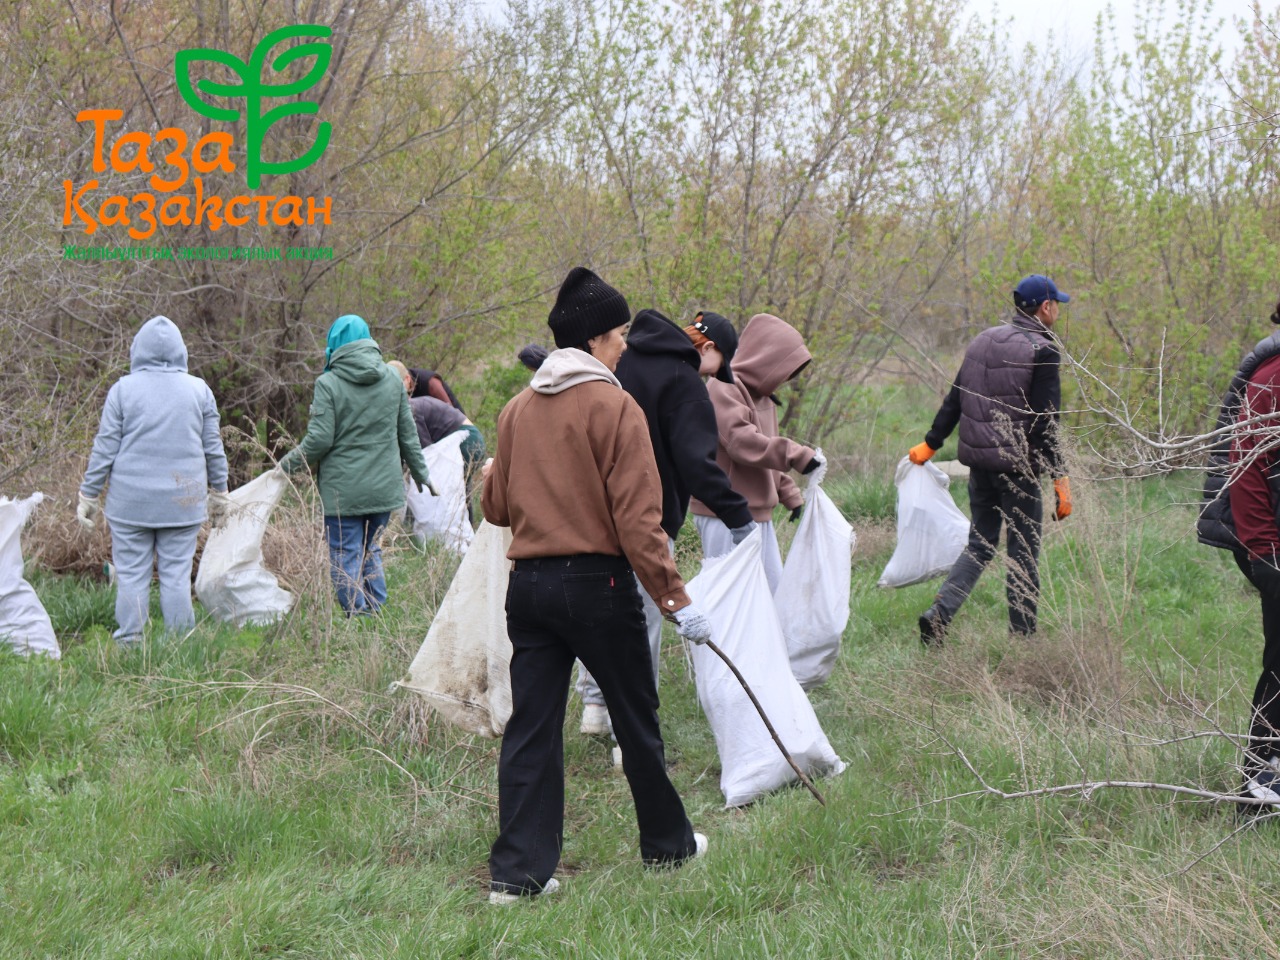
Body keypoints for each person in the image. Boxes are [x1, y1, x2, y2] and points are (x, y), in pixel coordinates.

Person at [483, 266, 710, 904]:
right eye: (618, 335)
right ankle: (669, 849)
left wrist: (497, 471)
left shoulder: (516, 408)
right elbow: (640, 525)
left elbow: (496, 508)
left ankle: (518, 879)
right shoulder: (616, 406)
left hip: (527, 589)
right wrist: (676, 599)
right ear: (592, 343)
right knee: (637, 720)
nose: (625, 347)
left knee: (531, 729)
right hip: (597, 587)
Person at [576, 308, 754, 737]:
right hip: (646, 519)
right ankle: (631, 734)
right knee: (641, 622)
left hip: (589, 513)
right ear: (707, 348)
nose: (715, 376)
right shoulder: (683, 381)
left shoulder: (615, 359)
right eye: (719, 365)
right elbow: (697, 464)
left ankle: (595, 708)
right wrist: (738, 517)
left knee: (594, 614)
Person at [909, 274, 1072, 645]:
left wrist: (931, 443)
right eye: (1056, 304)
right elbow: (1047, 422)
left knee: (981, 543)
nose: (1058, 310)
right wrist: (1060, 479)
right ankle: (1023, 640)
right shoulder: (1043, 350)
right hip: (1018, 470)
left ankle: (940, 613)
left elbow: (955, 398)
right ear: (1045, 308)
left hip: (979, 466)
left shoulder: (983, 340)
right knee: (1023, 551)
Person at [77, 315, 229, 645]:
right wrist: (220, 492)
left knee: (131, 575)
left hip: (131, 504)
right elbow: (213, 448)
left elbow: (104, 447)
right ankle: (179, 647)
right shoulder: (199, 391)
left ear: (137, 350)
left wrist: (89, 495)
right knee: (175, 577)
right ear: (181, 352)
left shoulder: (122, 391)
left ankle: (130, 644)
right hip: (182, 503)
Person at [279, 315, 431, 616]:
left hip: (343, 492)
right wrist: (421, 472)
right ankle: (375, 612)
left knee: (345, 552)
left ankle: (356, 615)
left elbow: (320, 439)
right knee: (371, 548)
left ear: (335, 343)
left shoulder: (329, 383)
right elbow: (407, 434)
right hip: (384, 489)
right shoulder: (391, 379)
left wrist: (285, 466)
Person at [1198, 297, 1280, 805]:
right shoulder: (1271, 378)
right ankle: (1259, 781)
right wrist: (1267, 554)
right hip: (1269, 545)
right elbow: (1247, 471)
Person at [689, 312, 823, 593]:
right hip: (723, 513)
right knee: (729, 598)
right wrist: (797, 455)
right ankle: (708, 640)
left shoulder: (763, 397)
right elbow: (742, 442)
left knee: (770, 594)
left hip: (754, 512)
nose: (785, 378)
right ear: (766, 359)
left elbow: (764, 454)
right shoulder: (724, 386)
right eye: (784, 369)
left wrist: (788, 494)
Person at [387, 360, 486, 477]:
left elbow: (424, 450)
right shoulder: (412, 404)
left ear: (407, 379)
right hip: (454, 435)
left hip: (464, 437)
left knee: (450, 485)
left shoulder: (428, 385)